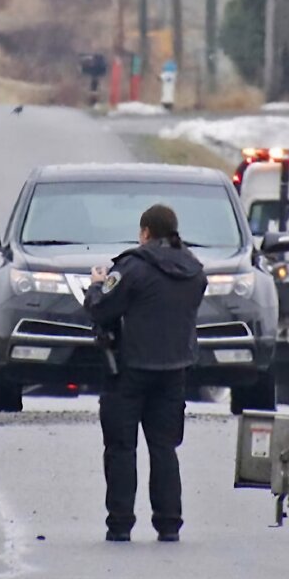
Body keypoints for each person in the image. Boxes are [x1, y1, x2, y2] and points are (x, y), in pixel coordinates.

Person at [82, 204, 207, 543]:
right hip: (174, 369)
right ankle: (169, 523)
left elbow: (100, 307)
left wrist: (96, 285)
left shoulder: (132, 268)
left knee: (121, 447)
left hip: (129, 369)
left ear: (146, 233)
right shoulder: (194, 269)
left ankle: (120, 524)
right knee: (164, 448)